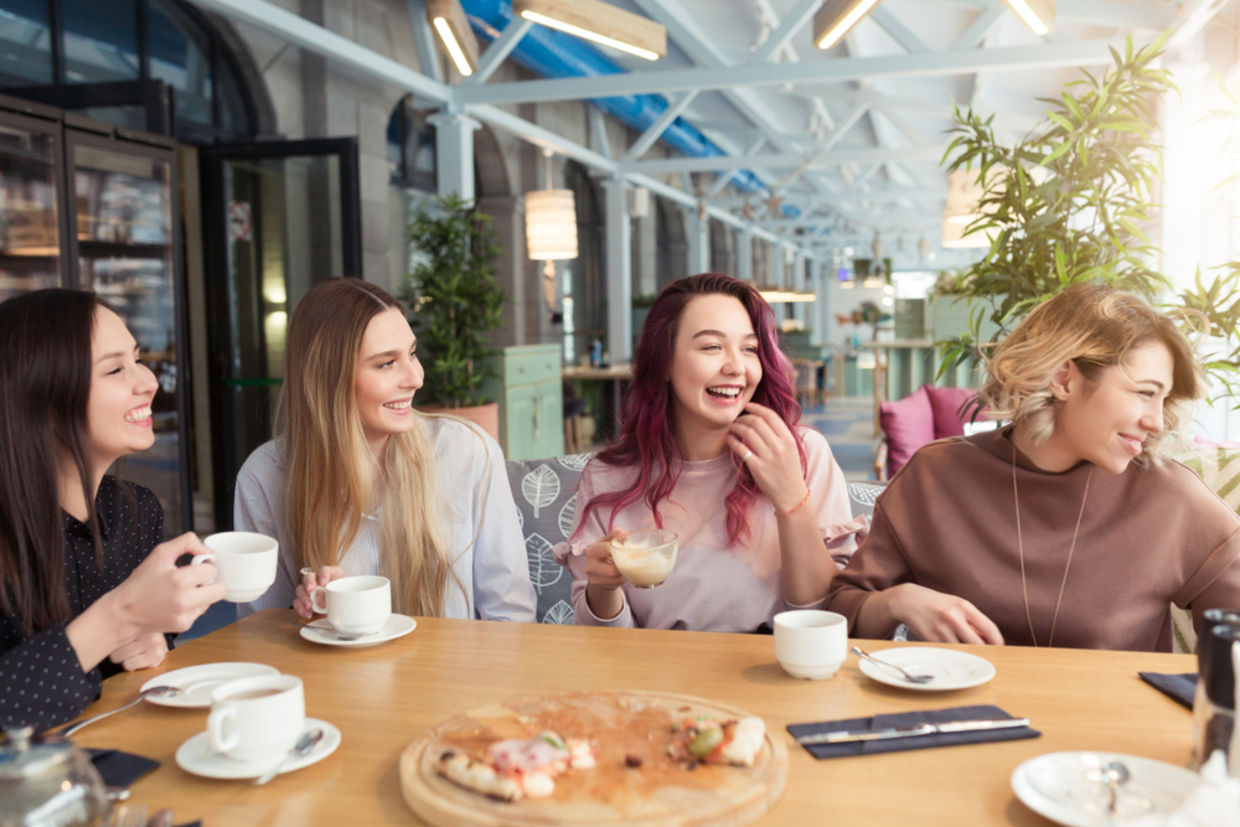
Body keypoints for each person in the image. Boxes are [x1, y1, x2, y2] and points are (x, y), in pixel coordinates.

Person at [825, 283, 1240, 651]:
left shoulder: (1170, 499)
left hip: (1110, 737)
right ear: (1064, 380)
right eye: (1145, 393)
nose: (1156, 420)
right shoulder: (935, 477)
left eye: (1162, 400)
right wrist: (898, 601)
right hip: (960, 729)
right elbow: (840, 611)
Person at [553, 273, 862, 631]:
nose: (736, 367)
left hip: (778, 673)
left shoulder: (803, 453)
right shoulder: (609, 477)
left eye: (749, 348)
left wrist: (791, 498)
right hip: (655, 679)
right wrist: (603, 588)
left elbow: (826, 617)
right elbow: (603, 648)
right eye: (712, 347)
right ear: (664, 362)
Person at [236, 278, 534, 622]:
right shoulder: (264, 476)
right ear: (327, 379)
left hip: (454, 675)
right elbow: (257, 632)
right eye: (386, 363)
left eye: (411, 353)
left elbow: (511, 616)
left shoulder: (468, 451)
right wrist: (302, 613)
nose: (416, 377)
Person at [0, 289, 225, 730]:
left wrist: (150, 642)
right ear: (42, 400)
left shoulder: (135, 512)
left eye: (138, 360)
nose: (148, 381)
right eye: (116, 369)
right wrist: (121, 615)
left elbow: (135, 668)